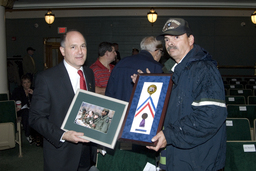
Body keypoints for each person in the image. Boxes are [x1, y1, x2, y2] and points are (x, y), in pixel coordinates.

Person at [145, 18, 227, 171]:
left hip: (199, 162)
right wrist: (147, 86)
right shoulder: (171, 71)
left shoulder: (204, 70)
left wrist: (170, 135)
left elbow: (210, 117)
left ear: (191, 40)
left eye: (177, 37)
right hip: (176, 158)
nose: (170, 43)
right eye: (167, 39)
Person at [29, 30, 97, 171]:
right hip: (62, 154)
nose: (80, 51)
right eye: (73, 47)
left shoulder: (89, 73)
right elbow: (35, 118)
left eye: (83, 46)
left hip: (87, 151)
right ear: (62, 51)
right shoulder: (47, 79)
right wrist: (63, 135)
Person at [105, 36, 163, 102]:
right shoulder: (156, 67)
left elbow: (109, 92)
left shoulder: (121, 63)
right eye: (161, 52)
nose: (161, 55)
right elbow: (158, 98)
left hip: (119, 109)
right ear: (156, 51)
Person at [11, 74, 33, 144]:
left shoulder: (34, 90)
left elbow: (40, 101)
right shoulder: (18, 91)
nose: (27, 85)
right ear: (22, 84)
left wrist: (34, 94)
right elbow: (13, 101)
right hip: (22, 111)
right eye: (24, 83)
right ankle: (28, 134)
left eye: (28, 82)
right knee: (26, 113)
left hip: (33, 110)